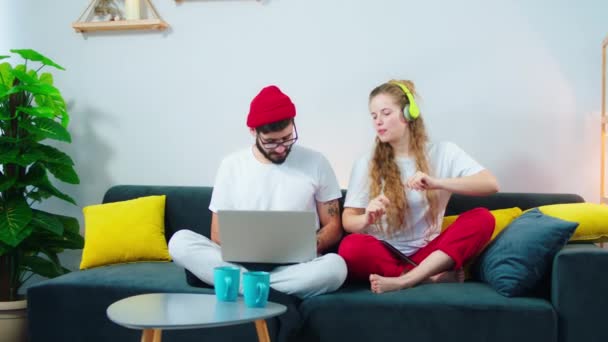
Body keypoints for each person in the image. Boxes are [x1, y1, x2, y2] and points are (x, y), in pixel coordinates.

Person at [169, 85, 347, 299]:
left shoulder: (316, 162)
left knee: (336, 268)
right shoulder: (231, 165)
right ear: (253, 132)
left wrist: (308, 244)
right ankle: (262, 288)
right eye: (271, 142)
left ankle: (241, 285)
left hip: (295, 267)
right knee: (180, 242)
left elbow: (334, 226)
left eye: (287, 138)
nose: (281, 148)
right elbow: (217, 233)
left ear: (293, 125)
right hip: (240, 263)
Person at [338, 79, 499, 294]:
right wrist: (367, 217)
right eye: (374, 116)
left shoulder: (444, 152)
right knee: (351, 247)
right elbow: (348, 221)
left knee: (483, 218)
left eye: (386, 113)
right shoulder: (366, 162)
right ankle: (424, 279)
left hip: (431, 256)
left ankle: (405, 280)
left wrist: (437, 183)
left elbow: (490, 184)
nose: (378, 122)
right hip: (384, 254)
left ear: (408, 114)